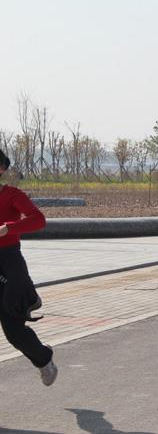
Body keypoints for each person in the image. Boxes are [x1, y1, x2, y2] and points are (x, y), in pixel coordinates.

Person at [0, 149, 57, 386]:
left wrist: (9, 227)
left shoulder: (12, 195)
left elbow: (38, 220)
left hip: (9, 265)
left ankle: (43, 358)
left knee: (13, 332)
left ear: (1, 169)